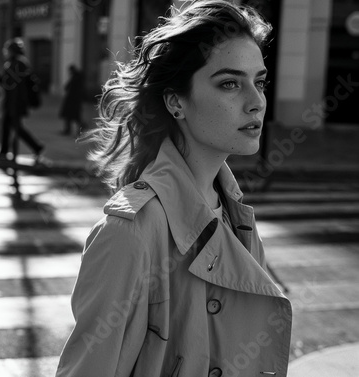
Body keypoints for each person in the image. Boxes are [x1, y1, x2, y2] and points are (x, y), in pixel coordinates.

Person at [56, 1, 292, 376]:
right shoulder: (130, 231)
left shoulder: (235, 213)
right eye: (230, 83)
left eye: (259, 81)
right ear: (175, 101)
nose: (256, 102)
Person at [0, 38, 44, 162]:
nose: (5, 52)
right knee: (9, 127)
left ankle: (36, 147)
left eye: (7, 50)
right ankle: (5, 152)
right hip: (13, 102)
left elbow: (12, 84)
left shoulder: (16, 64)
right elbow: (8, 82)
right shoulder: (19, 63)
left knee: (15, 127)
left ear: (12, 51)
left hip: (15, 102)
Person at [59, 64, 86, 136]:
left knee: (71, 116)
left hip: (72, 100)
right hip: (74, 100)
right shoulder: (77, 77)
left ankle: (75, 128)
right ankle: (76, 128)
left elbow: (67, 87)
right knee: (73, 116)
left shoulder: (75, 78)